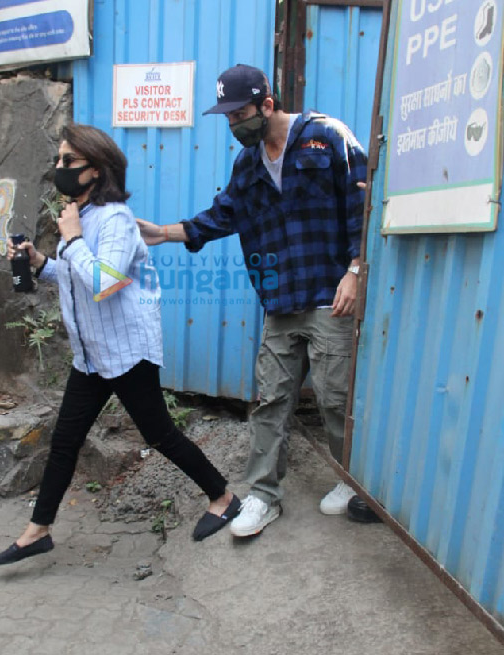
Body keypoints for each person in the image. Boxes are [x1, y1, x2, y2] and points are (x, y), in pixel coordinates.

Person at [0, 124, 240, 565]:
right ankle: (38, 530)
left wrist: (70, 241)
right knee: (65, 439)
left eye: (70, 161)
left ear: (97, 170)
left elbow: (105, 283)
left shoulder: (115, 221)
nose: (59, 168)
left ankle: (223, 497)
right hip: (92, 356)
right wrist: (41, 262)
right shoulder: (81, 218)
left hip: (127, 353)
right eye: (59, 159)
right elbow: (75, 278)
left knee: (159, 434)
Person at [137, 64, 367, 537]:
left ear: (267, 104)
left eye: (239, 113)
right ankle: (263, 496)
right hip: (280, 299)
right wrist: (163, 233)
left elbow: (363, 200)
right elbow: (223, 215)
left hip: (331, 294)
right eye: (226, 117)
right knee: (270, 401)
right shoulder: (247, 165)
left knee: (335, 396)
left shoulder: (327, 137)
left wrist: (356, 270)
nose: (233, 124)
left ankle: (351, 480)